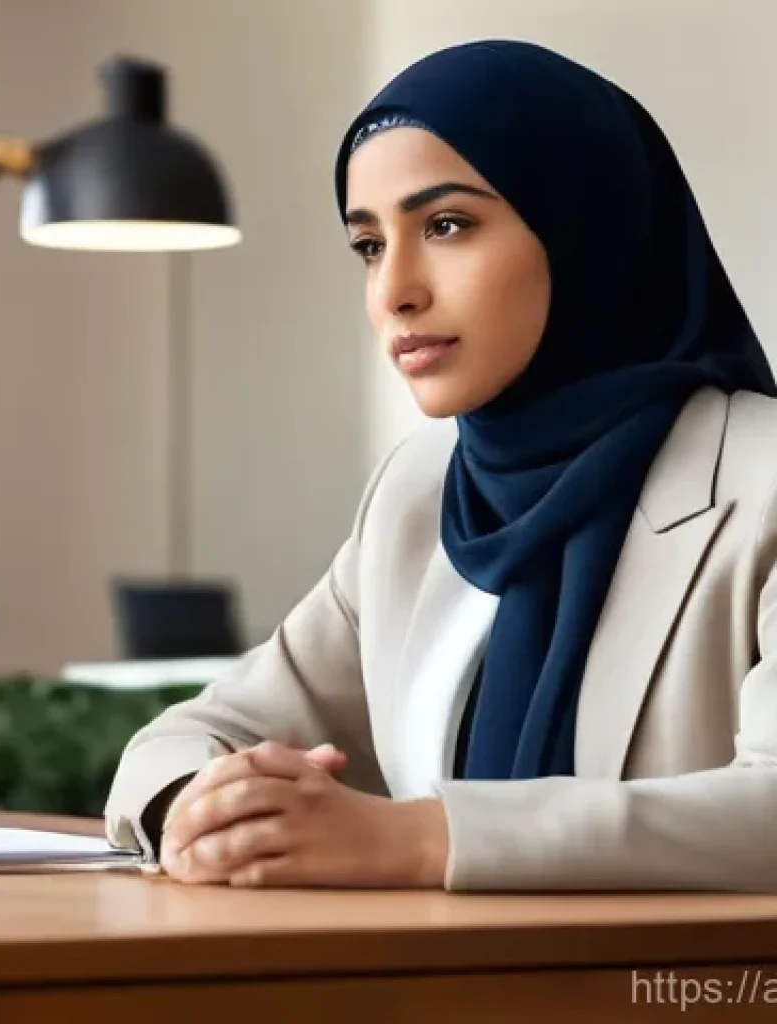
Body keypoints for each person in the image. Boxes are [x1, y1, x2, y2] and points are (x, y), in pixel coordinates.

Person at [104, 39, 777, 891]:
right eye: (369, 245)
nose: (395, 291)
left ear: (586, 227)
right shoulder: (417, 496)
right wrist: (204, 807)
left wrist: (422, 841)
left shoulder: (760, 483)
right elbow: (193, 736)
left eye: (446, 225)